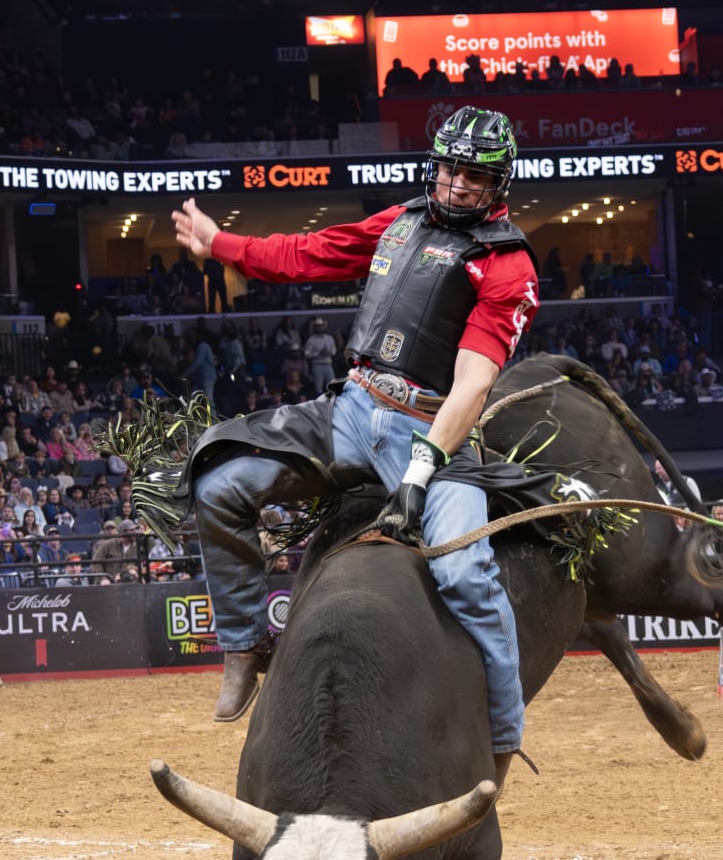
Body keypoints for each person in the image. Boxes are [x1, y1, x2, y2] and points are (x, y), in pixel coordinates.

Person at [171, 106, 537, 785]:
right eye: (449, 169)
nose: (457, 185)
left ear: (499, 182)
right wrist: (221, 244)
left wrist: (419, 474)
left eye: (474, 176)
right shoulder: (397, 222)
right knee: (217, 486)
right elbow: (306, 254)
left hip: (433, 431)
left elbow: (473, 385)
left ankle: (503, 740)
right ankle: (246, 644)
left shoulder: (507, 265)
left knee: (466, 576)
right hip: (350, 407)